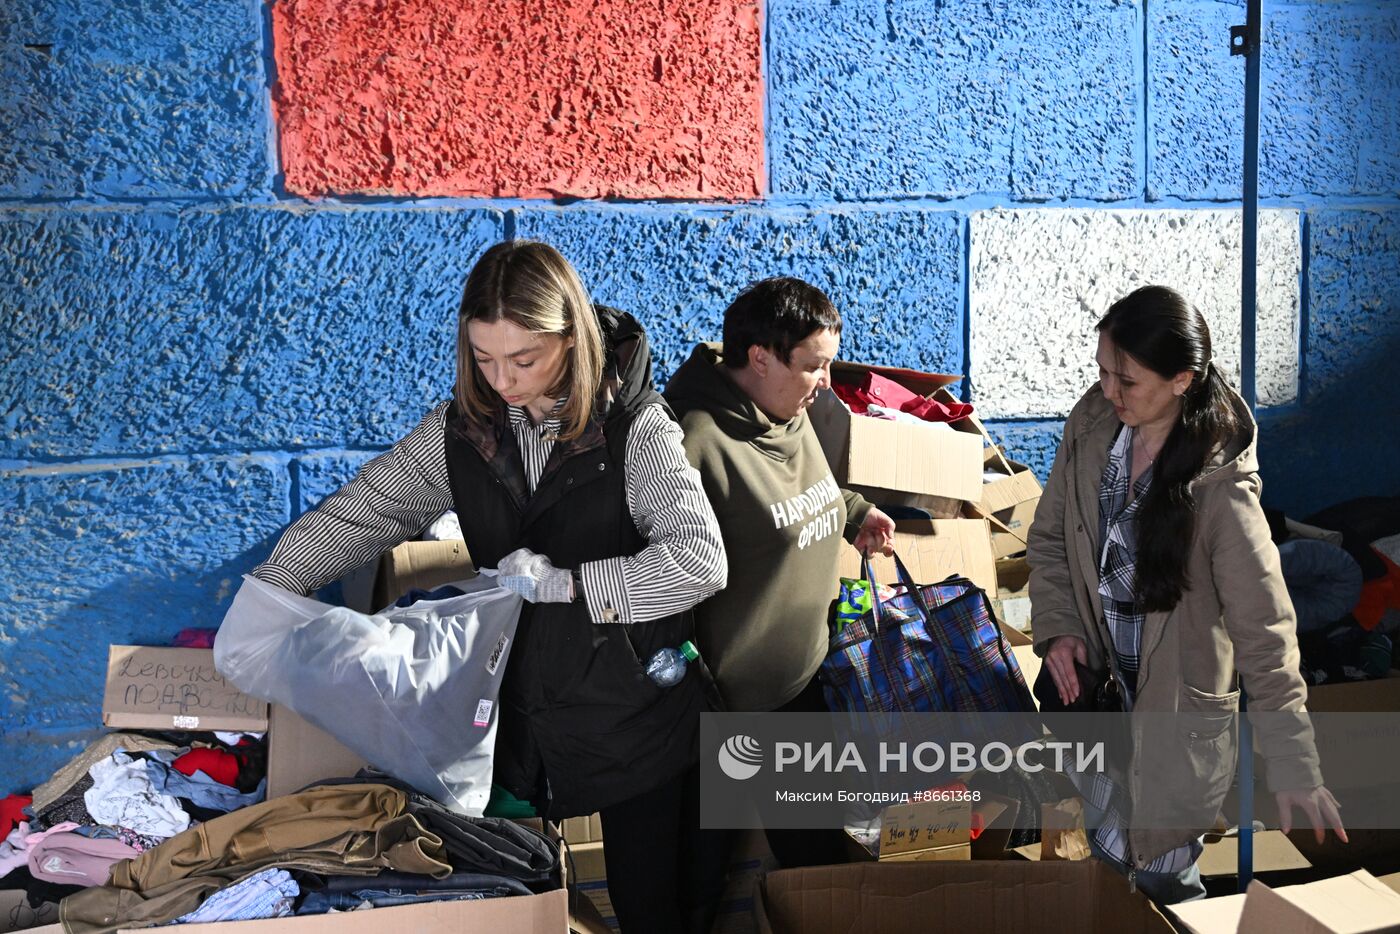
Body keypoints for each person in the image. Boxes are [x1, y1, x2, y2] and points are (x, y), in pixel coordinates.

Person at [248, 240, 728, 932]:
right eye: (483, 358)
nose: (502, 379)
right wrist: (273, 586)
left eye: (524, 359)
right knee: (521, 889)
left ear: (571, 339)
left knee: (650, 904)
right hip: (528, 710)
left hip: (636, 715)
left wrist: (569, 586)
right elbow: (367, 510)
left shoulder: (636, 429)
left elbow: (698, 561)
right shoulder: (465, 433)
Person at [1027, 285, 1346, 903]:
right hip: (1100, 700)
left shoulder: (1221, 490)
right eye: (1102, 372)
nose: (1110, 392)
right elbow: (1047, 541)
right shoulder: (1094, 426)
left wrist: (1295, 767)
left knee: (1162, 875)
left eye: (1128, 381)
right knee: (1109, 859)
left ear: (1182, 380)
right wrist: (1062, 630)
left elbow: (1266, 637)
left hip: (1175, 723)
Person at [665, 277, 895, 926]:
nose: (825, 380)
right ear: (760, 356)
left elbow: (805, 491)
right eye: (814, 365)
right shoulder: (692, 442)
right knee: (701, 887)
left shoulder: (788, 409)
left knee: (816, 872)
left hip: (803, 683)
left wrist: (855, 512)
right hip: (731, 714)